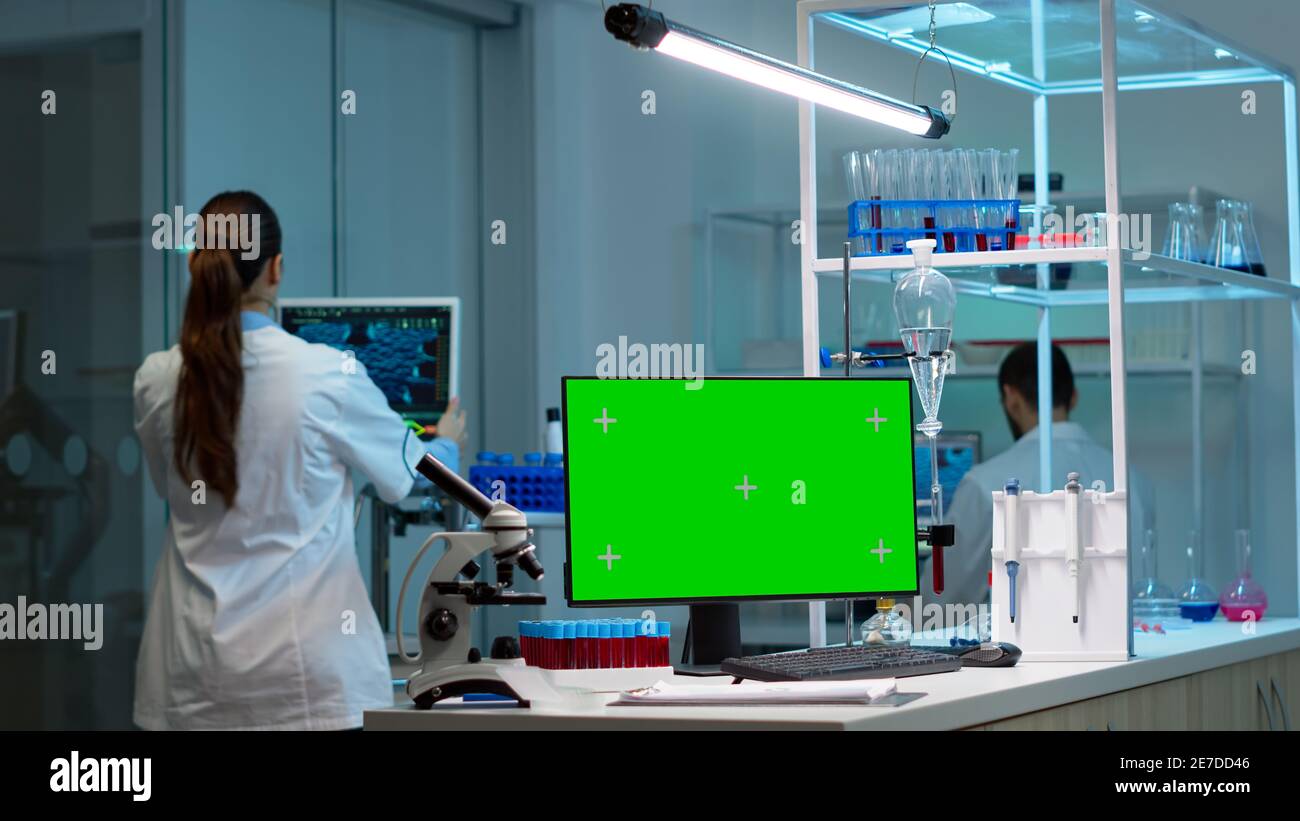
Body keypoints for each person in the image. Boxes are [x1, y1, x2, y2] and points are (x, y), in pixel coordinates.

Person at [132, 191, 468, 730]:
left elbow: (172, 491)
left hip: (188, 685)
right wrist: (446, 442)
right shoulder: (325, 376)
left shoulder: (156, 379)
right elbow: (406, 478)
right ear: (276, 269)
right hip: (301, 688)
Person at [922, 342, 1154, 607]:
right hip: (1127, 643)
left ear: (1010, 397)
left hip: (1026, 646)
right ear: (1074, 396)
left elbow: (941, 596)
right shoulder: (1134, 481)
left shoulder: (985, 485)